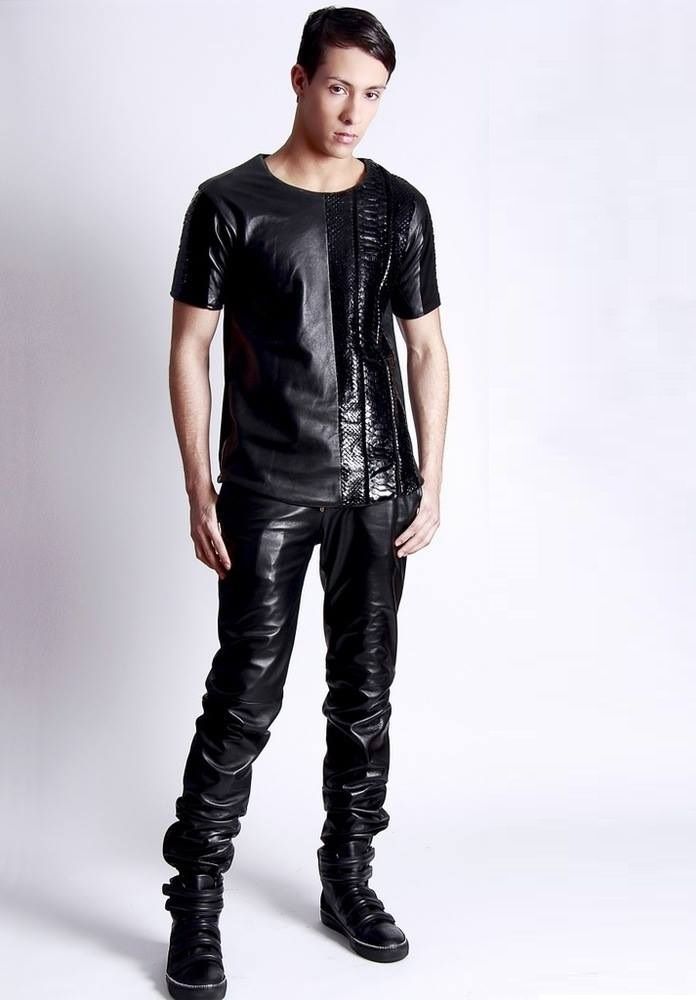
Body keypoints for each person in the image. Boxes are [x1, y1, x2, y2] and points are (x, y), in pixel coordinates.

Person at [160, 6, 449, 998]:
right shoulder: (227, 204)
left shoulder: (400, 207)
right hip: (267, 486)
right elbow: (190, 347)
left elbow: (426, 348)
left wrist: (431, 480)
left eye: (372, 95)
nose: (354, 112)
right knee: (245, 695)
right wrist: (198, 484)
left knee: (365, 695)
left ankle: (348, 877)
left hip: (377, 487)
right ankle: (195, 899)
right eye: (338, 87)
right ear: (298, 80)